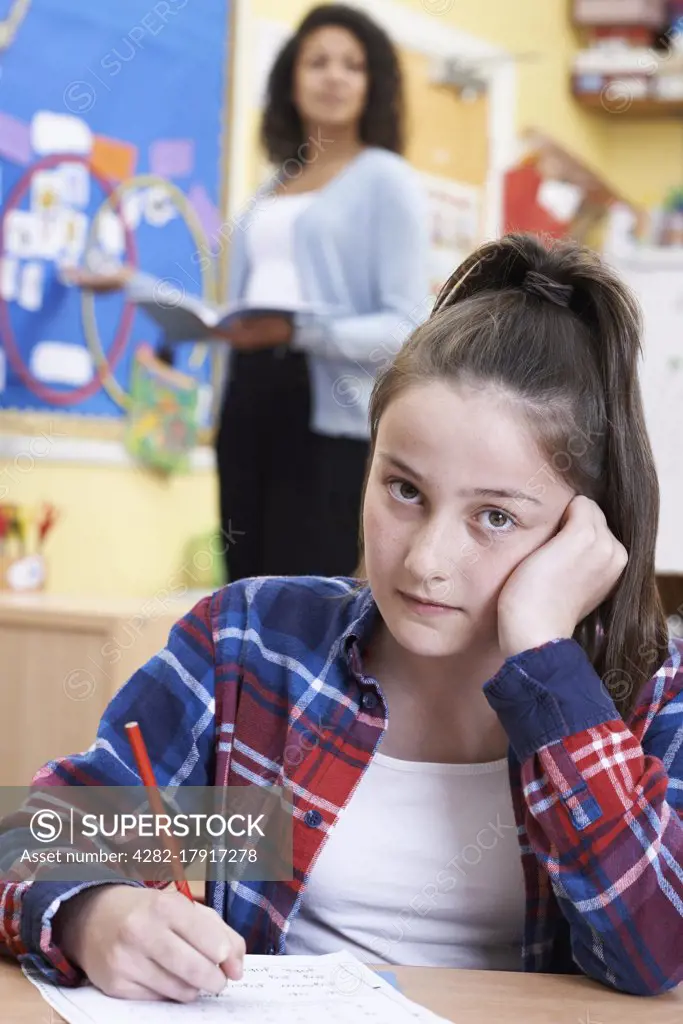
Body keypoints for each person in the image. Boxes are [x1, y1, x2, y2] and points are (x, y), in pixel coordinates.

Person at [3, 234, 682, 1000]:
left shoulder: (648, 694)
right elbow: (32, 835)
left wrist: (546, 666)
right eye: (403, 490)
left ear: (582, 531)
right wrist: (93, 912)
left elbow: (655, 951)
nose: (426, 559)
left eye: (494, 517)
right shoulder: (252, 647)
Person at [70, 4, 427, 581]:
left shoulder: (387, 181)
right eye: (317, 62)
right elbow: (229, 314)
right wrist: (132, 284)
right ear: (291, 79)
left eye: (352, 65)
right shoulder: (270, 187)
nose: (333, 77)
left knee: (309, 597)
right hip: (247, 401)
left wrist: (297, 330)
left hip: (328, 420)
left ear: (374, 84)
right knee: (245, 589)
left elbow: (408, 328)